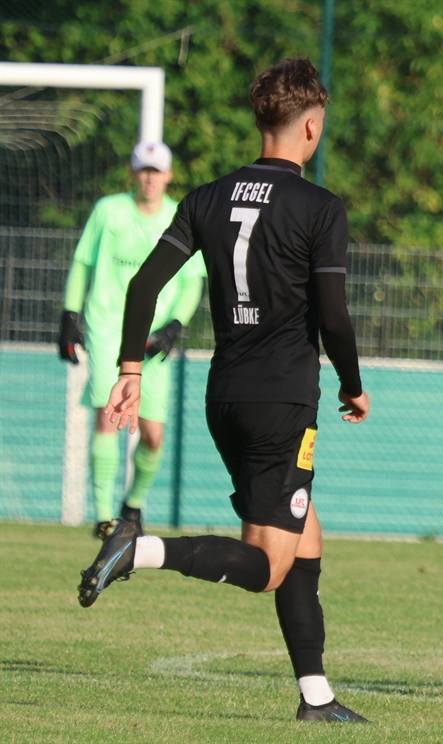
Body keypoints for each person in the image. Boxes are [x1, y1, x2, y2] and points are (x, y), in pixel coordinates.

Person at [76, 57, 371, 724]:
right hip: (283, 403)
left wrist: (130, 370)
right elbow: (332, 316)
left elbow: (142, 285)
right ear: (312, 127)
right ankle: (139, 548)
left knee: (306, 540)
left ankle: (316, 698)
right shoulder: (319, 208)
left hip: (225, 398)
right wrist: (353, 386)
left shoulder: (206, 197)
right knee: (268, 565)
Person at [58, 142, 205, 539]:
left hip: (152, 339)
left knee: (153, 435)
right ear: (132, 171)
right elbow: (83, 262)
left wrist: (175, 324)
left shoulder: (180, 213)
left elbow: (193, 281)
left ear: (169, 175)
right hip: (107, 327)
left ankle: (132, 507)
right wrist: (70, 315)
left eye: (157, 170)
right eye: (144, 169)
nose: (150, 177)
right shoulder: (109, 210)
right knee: (109, 414)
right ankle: (104, 516)